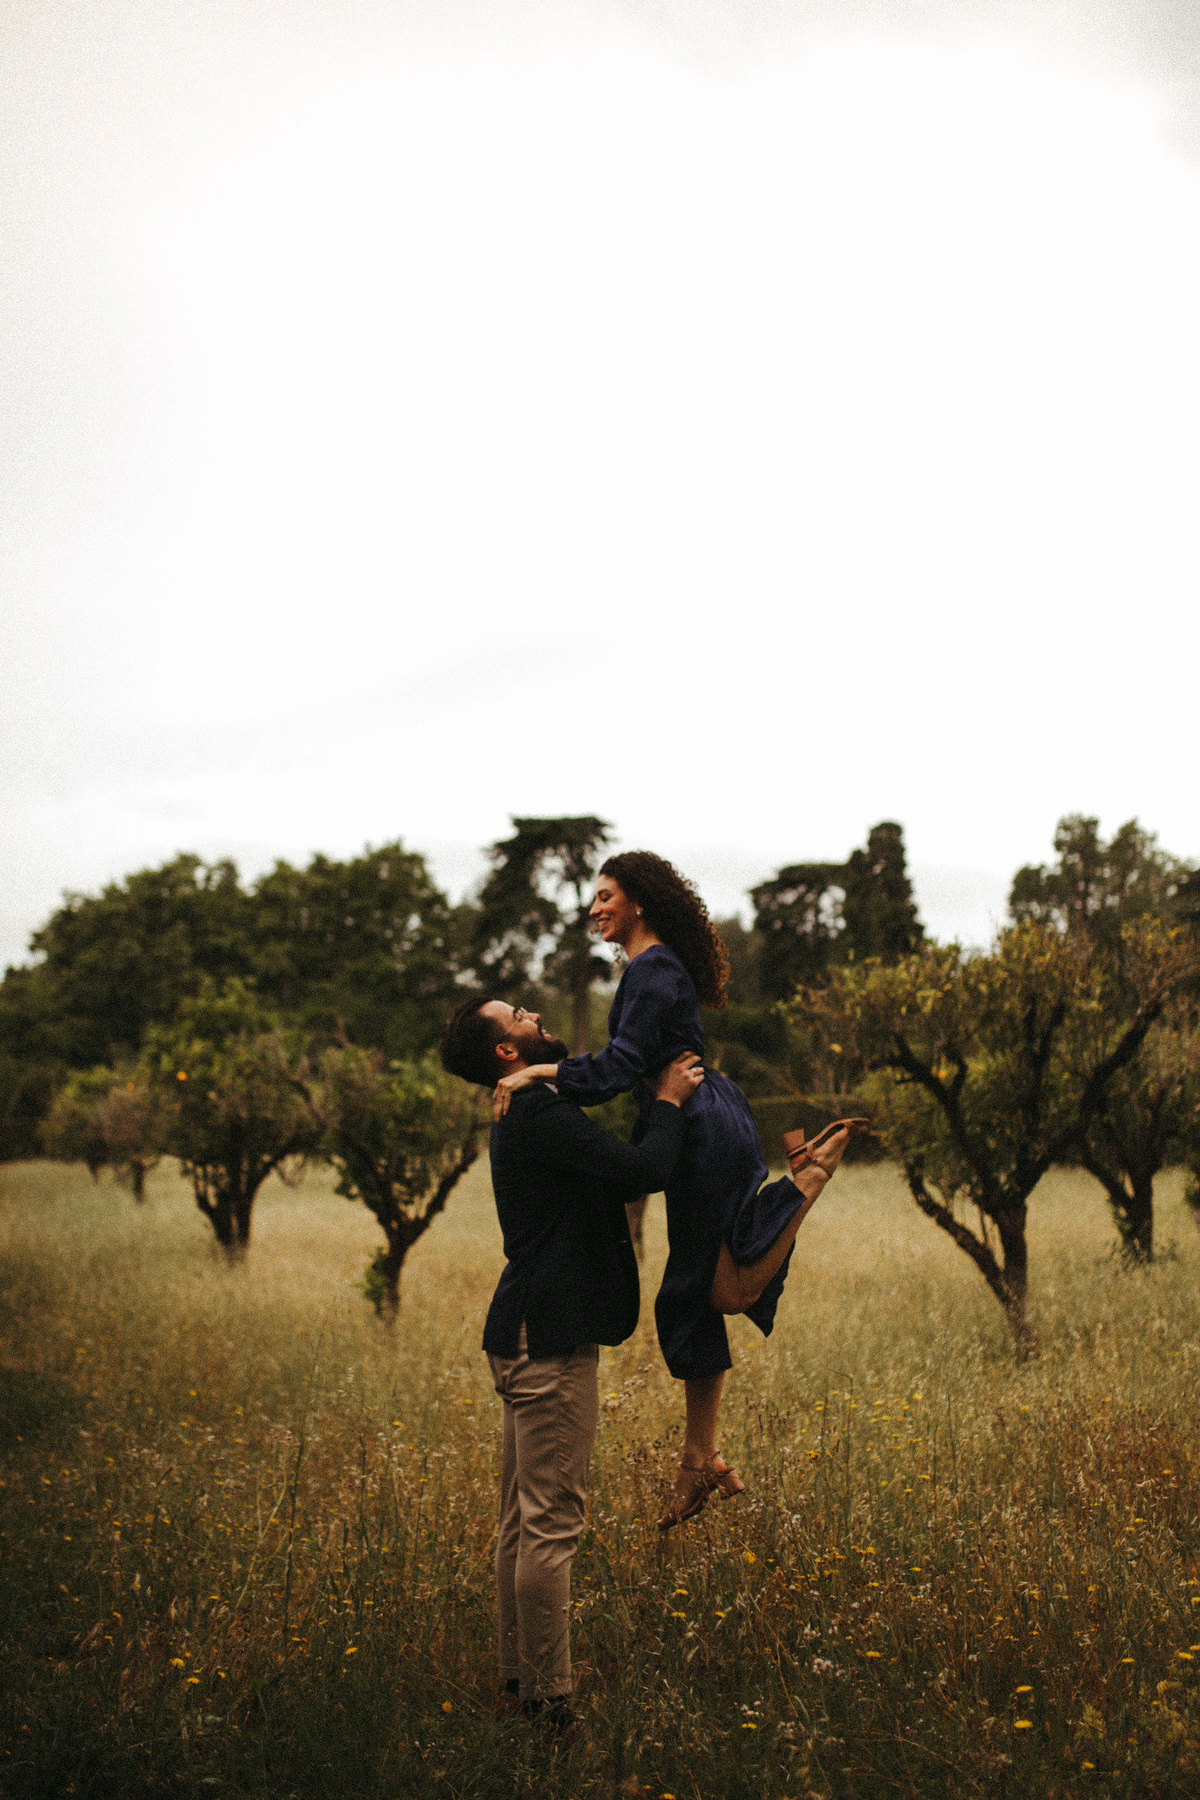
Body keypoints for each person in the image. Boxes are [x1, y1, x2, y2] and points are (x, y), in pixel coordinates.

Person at [492, 850, 866, 1530]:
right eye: (594, 898)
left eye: (606, 896)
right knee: (691, 1297)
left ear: (639, 901)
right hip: (702, 1121)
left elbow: (620, 1068)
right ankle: (700, 1458)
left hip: (701, 1124)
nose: (595, 908)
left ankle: (807, 1179)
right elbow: (626, 1065)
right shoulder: (648, 969)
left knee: (719, 1288)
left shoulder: (654, 968)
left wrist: (536, 1073)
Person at [438, 993, 704, 1730]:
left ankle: (518, 1685)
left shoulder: (530, 1106)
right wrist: (669, 1100)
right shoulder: (535, 1114)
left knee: (521, 1523)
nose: (533, 1014)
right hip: (545, 1340)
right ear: (507, 1050)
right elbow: (644, 1168)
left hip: (524, 1331)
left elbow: (604, 1122)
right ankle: (549, 1704)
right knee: (550, 1524)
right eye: (519, 1015)